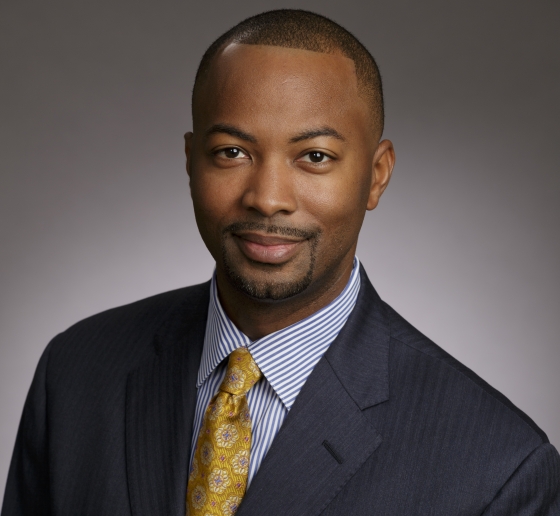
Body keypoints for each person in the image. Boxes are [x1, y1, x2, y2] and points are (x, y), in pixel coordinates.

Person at [2, 9, 559, 516]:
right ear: (192, 163)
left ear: (377, 174)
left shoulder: (498, 470)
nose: (267, 197)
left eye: (314, 157)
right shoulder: (75, 373)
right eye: (232, 153)